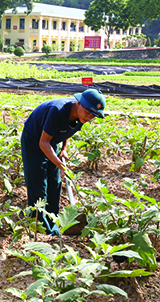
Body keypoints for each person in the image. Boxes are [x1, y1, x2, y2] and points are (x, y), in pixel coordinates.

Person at [21, 89, 106, 235]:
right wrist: (60, 165)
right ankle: (40, 228)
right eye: (88, 112)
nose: (90, 117)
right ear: (78, 103)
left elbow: (67, 129)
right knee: (39, 186)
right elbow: (43, 143)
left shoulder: (81, 115)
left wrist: (64, 149)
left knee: (55, 183)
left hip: (51, 141)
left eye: (94, 115)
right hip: (34, 141)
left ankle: (52, 222)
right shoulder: (58, 110)